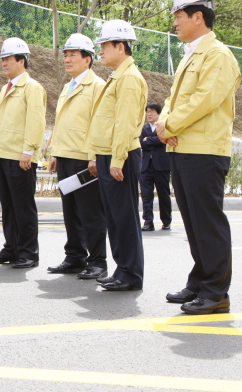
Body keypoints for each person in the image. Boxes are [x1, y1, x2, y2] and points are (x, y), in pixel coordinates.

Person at [157, 0, 241, 315]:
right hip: (184, 148)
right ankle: (200, 281)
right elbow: (172, 99)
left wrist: (169, 125)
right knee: (193, 222)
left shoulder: (218, 56)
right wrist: (164, 124)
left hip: (205, 151)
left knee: (207, 222)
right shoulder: (190, 56)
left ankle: (216, 292)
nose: (175, 20)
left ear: (198, 16)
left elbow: (204, 101)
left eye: (179, 14)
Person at [87, 20, 148, 292]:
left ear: (120, 46)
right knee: (114, 217)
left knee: (124, 217)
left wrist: (116, 160)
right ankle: (122, 269)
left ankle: (131, 274)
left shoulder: (130, 79)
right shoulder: (118, 76)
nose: (100, 50)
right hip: (107, 155)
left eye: (104, 45)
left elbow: (125, 123)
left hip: (118, 156)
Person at [47, 33, 108, 280]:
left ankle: (97, 261)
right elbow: (61, 122)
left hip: (85, 159)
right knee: (70, 210)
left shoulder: (97, 87)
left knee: (91, 212)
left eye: (72, 55)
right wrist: (55, 153)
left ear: (88, 59)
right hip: (66, 155)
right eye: (66, 55)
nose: (67, 59)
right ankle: (74, 257)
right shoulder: (66, 87)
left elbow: (99, 123)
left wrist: (94, 156)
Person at [0, 38, 46, 269]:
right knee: (7, 205)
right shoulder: (5, 87)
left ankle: (29, 252)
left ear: (22, 60)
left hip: (20, 156)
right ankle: (11, 247)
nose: (3, 63)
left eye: (8, 59)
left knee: (23, 206)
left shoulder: (32, 88)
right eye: (2, 59)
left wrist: (28, 150)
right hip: (2, 155)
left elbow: (36, 122)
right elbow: (0, 123)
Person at [139, 102, 172, 232]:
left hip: (161, 166)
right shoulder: (143, 128)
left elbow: (163, 139)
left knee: (163, 194)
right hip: (146, 166)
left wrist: (149, 140)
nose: (149, 114)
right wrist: (153, 140)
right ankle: (148, 222)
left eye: (152, 111)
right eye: (147, 111)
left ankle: (166, 221)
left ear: (159, 113)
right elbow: (141, 142)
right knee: (146, 195)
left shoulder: (164, 127)